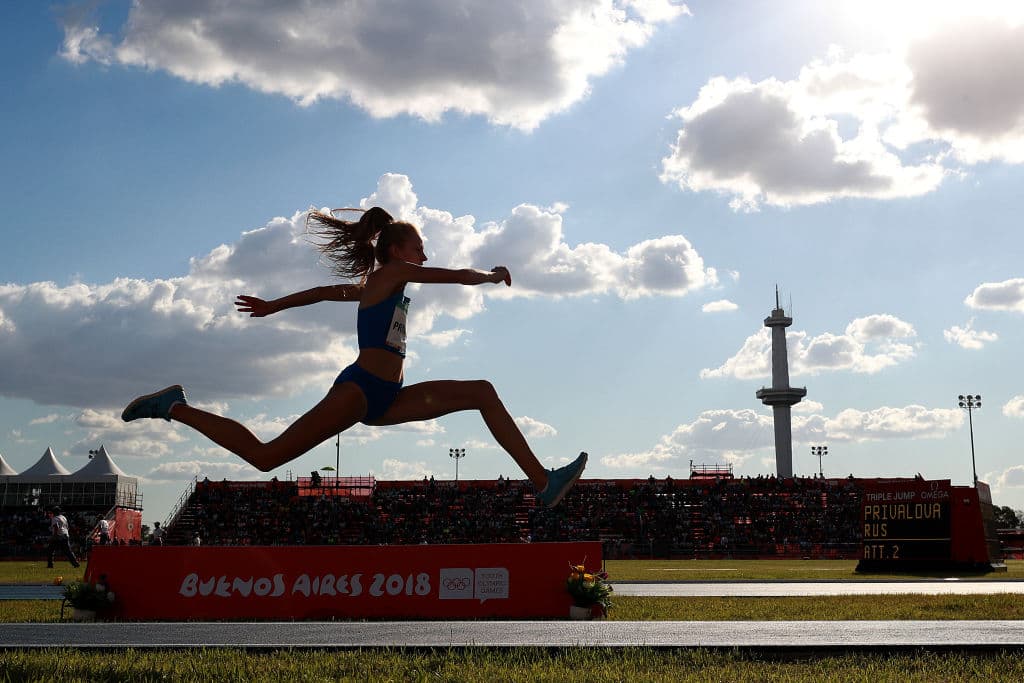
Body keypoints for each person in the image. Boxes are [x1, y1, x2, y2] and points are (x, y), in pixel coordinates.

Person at [122, 206, 586, 506]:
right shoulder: (393, 273)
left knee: (482, 392)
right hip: (360, 390)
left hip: (390, 396)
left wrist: (275, 305)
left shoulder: (378, 285)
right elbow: (453, 276)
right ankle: (174, 406)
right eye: (419, 247)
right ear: (397, 251)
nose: (424, 255)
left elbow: (324, 292)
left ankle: (543, 484)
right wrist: (488, 276)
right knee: (266, 457)